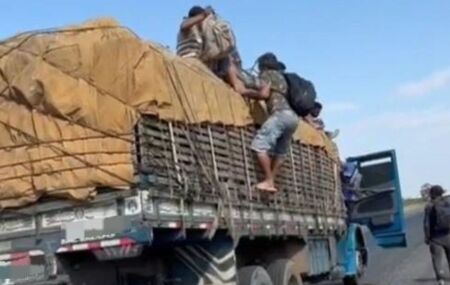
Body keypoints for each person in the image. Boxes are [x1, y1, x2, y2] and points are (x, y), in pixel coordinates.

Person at [245, 53, 299, 192]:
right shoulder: (283, 79)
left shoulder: (267, 75)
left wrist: (245, 92)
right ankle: (271, 181)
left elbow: (263, 94)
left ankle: (269, 180)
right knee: (280, 152)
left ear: (263, 65)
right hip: (292, 118)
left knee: (259, 146)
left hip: (280, 114)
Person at [423, 185, 450, 285]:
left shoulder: (429, 206)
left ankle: (440, 280)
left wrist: (427, 237)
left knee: (437, 260)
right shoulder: (447, 203)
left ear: (432, 194)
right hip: (448, 234)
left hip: (435, 238)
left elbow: (426, 224)